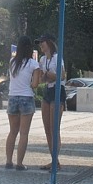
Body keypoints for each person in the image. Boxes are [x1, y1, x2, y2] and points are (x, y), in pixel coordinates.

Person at [5, 36, 41, 171]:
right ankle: (19, 163)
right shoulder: (33, 64)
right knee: (24, 133)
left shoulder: (12, 62)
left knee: (12, 132)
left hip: (12, 97)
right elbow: (35, 84)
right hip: (26, 97)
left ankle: (8, 161)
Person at [35, 34, 66, 170]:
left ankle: (55, 161)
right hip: (47, 91)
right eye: (39, 43)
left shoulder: (57, 58)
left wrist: (47, 75)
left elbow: (62, 75)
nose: (41, 45)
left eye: (42, 42)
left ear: (49, 43)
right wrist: (46, 76)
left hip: (58, 91)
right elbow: (42, 79)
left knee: (55, 128)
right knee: (47, 128)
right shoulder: (42, 59)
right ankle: (55, 160)